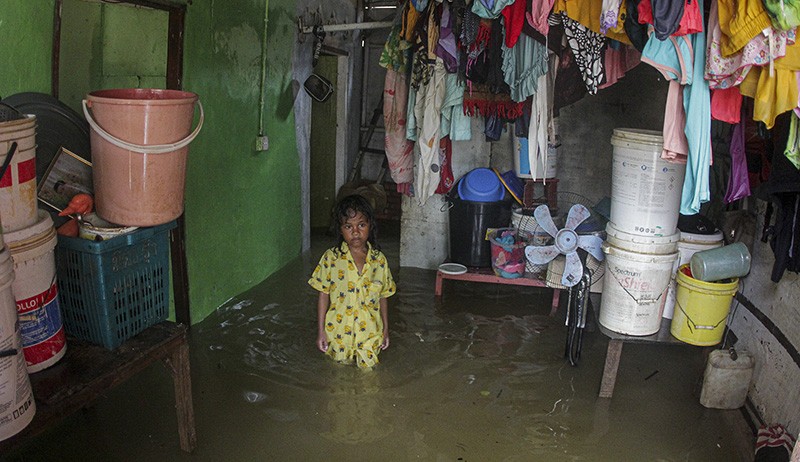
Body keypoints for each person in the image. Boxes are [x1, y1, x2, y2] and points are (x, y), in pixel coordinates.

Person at [308, 194, 396, 369]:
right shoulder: (331, 258)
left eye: (361, 225)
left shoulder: (379, 260)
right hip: (338, 333)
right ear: (340, 229)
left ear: (370, 226)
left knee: (370, 375)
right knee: (338, 375)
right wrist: (321, 332)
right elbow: (323, 294)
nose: (355, 232)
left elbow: (383, 296)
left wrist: (386, 329)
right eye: (348, 226)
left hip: (370, 332)